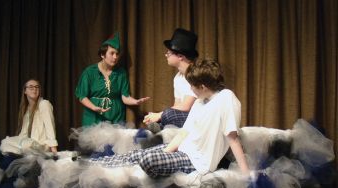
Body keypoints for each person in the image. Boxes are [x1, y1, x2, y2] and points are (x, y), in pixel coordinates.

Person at [90, 59, 250, 178]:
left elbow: (233, 139)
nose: (191, 90)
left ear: (202, 86)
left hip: (197, 162)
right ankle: (92, 165)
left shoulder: (226, 98)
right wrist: (166, 152)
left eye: (192, 86)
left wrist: (245, 174)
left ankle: (102, 164)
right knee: (137, 154)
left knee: (148, 159)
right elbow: (184, 133)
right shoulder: (200, 102)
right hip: (182, 150)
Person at [75, 32, 150, 127]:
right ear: (102, 55)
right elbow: (82, 96)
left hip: (116, 117)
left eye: (117, 54)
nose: (115, 57)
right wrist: (94, 107)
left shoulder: (121, 73)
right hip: (94, 116)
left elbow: (125, 97)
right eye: (112, 53)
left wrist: (135, 101)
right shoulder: (90, 72)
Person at [143, 28, 198, 131]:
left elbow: (186, 106)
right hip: (184, 117)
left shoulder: (195, 74)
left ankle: (161, 127)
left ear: (180, 56)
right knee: (166, 115)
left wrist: (160, 115)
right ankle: (161, 127)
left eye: (169, 52)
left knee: (168, 114)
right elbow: (177, 106)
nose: (166, 55)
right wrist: (157, 116)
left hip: (198, 118)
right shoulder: (178, 77)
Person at [1, 79, 58, 154]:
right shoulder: (27, 110)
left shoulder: (44, 104)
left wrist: (54, 150)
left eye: (37, 87)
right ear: (25, 91)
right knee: (5, 143)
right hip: (29, 145)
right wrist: (16, 142)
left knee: (9, 144)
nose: (34, 89)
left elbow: (50, 126)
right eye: (31, 87)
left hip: (40, 146)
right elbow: (23, 134)